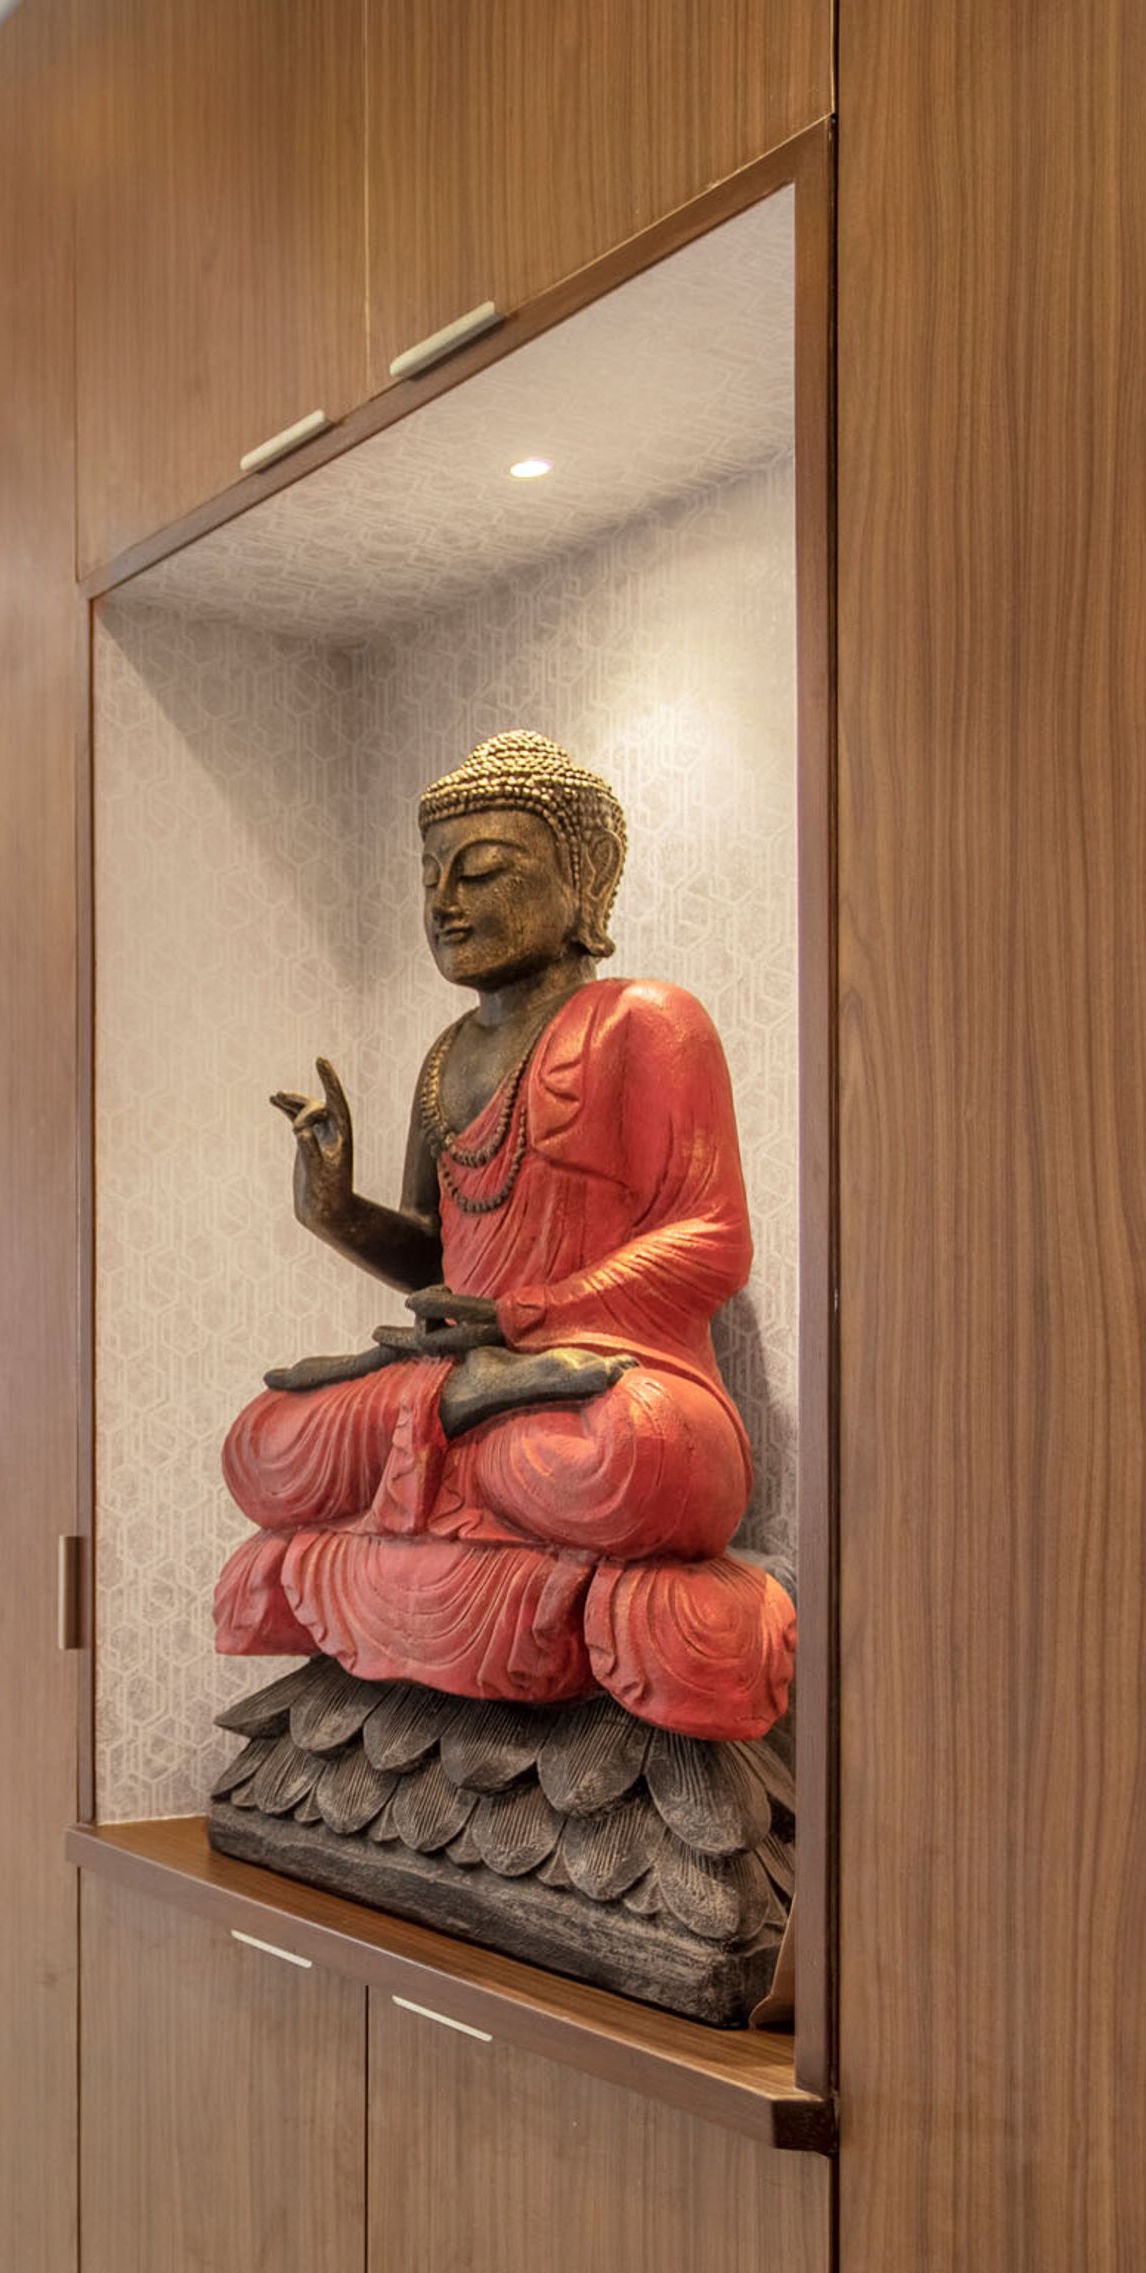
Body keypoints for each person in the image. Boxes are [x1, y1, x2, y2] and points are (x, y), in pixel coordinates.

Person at [215, 731, 793, 1740]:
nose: (444, 900)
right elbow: (438, 1264)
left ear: (582, 888)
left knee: (641, 1459)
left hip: (609, 1380)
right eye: (430, 876)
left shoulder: (647, 1023)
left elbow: (709, 1241)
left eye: (483, 870)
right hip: (472, 1386)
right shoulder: (446, 1059)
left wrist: (532, 1317)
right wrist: (337, 1210)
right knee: (268, 1441)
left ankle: (450, 1468)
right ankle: (462, 1443)